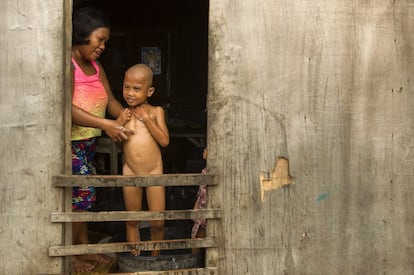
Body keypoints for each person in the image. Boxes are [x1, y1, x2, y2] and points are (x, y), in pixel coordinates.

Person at [71, 7, 133, 272]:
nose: (103, 46)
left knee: (80, 199)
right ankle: (73, 254)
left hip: (88, 143)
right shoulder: (67, 64)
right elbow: (66, 109)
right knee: (83, 196)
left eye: (105, 41)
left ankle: (82, 250)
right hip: (69, 144)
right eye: (100, 39)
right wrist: (105, 124)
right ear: (83, 35)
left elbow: (110, 102)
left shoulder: (96, 67)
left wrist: (133, 118)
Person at [121, 64, 170, 256]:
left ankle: (154, 260)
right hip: (130, 171)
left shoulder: (156, 111)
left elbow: (165, 141)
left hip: (154, 171)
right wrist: (120, 129)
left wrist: (147, 120)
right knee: (132, 220)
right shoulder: (124, 114)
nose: (130, 93)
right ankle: (136, 260)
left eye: (136, 88)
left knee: (158, 221)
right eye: (126, 87)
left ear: (149, 91)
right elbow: (118, 143)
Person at [191, 148, 208, 254]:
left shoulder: (211, 171)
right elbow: (201, 192)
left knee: (201, 234)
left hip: (207, 212)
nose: (204, 151)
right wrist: (196, 206)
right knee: (196, 239)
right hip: (202, 210)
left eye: (207, 149)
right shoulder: (205, 171)